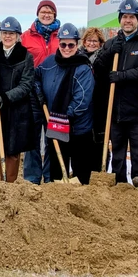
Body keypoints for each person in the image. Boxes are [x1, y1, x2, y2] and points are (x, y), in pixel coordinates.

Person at [94, 0, 138, 184]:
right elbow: (98, 71)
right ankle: (119, 186)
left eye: (132, 17)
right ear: (120, 19)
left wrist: (122, 76)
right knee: (117, 152)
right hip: (115, 109)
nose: (128, 20)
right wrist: (108, 53)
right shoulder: (111, 44)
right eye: (124, 17)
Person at [35, 24, 94, 184]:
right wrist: (39, 93)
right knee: (56, 173)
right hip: (56, 128)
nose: (67, 48)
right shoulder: (49, 63)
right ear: (58, 43)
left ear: (77, 44)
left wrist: (62, 118)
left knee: (80, 176)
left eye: (71, 45)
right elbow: (36, 77)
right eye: (63, 44)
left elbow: (82, 100)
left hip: (78, 129)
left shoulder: (83, 68)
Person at [0, 17, 36, 182]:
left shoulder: (25, 56)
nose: (8, 37)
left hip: (17, 110)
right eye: (5, 33)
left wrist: (6, 97)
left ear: (18, 36)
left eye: (11, 34)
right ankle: (2, 181)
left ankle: (11, 184)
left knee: (13, 151)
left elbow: (26, 84)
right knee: (1, 148)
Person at [20, 0, 60, 184]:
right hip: (31, 92)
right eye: (43, 11)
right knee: (32, 137)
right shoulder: (26, 37)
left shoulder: (61, 36)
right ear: (37, 14)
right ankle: (32, 177)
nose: (46, 14)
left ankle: (51, 176)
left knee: (52, 136)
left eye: (50, 12)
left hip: (54, 92)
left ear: (55, 15)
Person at [81, 27, 109, 170]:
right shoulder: (78, 58)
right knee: (84, 139)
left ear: (100, 43)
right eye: (89, 40)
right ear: (84, 42)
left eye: (95, 41)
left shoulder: (104, 58)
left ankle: (100, 169)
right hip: (83, 103)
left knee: (99, 138)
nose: (92, 43)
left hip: (100, 102)